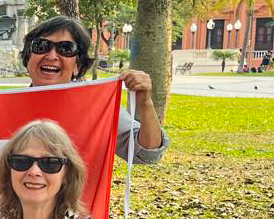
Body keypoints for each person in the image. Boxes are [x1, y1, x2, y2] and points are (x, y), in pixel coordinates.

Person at [21, 15, 167, 164]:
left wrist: (145, 102)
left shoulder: (98, 106)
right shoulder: (2, 107)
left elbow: (148, 153)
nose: (51, 56)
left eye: (65, 49)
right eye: (41, 47)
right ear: (27, 59)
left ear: (77, 66)